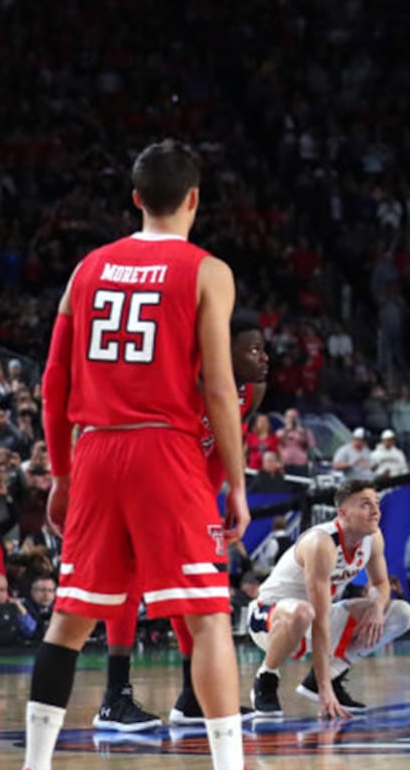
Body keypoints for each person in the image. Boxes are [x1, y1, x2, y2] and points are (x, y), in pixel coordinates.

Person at [29, 140, 249, 770]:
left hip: (95, 448)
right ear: (194, 199)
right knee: (206, 615)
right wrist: (234, 483)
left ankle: (36, 764)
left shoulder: (87, 268)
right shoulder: (208, 271)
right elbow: (217, 389)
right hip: (166, 449)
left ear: (135, 198)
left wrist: (62, 474)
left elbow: (52, 383)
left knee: (69, 618)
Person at [94, 310, 270, 730]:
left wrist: (218, 497)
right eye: (252, 349)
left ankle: (193, 695)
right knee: (130, 578)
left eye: (263, 348)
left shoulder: (252, 390)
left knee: (195, 588)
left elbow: (224, 443)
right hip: (137, 483)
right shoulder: (177, 384)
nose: (264, 358)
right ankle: (113, 699)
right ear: (218, 351)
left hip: (193, 492)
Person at [245, 479, 410, 719]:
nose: (376, 510)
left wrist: (377, 606)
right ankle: (267, 677)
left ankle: (325, 676)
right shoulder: (321, 543)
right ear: (343, 513)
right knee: (304, 612)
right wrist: (327, 694)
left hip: (313, 616)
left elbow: (380, 584)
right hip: (270, 619)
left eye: (376, 503)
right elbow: (320, 618)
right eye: (366, 504)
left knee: (400, 613)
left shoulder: (373, 537)